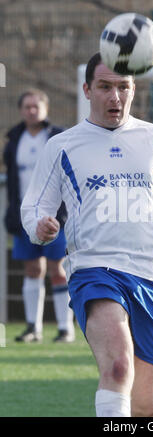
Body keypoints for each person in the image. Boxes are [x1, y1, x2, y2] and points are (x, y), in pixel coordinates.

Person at [20, 53, 153, 417]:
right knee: (118, 365)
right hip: (94, 270)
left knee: (147, 406)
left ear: (133, 89)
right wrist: (40, 227)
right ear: (87, 89)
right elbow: (33, 208)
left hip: (149, 279)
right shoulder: (62, 146)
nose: (115, 97)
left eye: (123, 87)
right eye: (105, 87)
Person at [3, 88, 75, 343]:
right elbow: (12, 182)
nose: (32, 111)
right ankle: (33, 327)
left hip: (56, 216)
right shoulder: (14, 141)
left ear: (45, 109)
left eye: (36, 106)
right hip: (25, 217)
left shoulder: (57, 137)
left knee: (58, 269)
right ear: (21, 110)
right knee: (32, 269)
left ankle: (65, 328)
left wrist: (64, 213)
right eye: (27, 107)